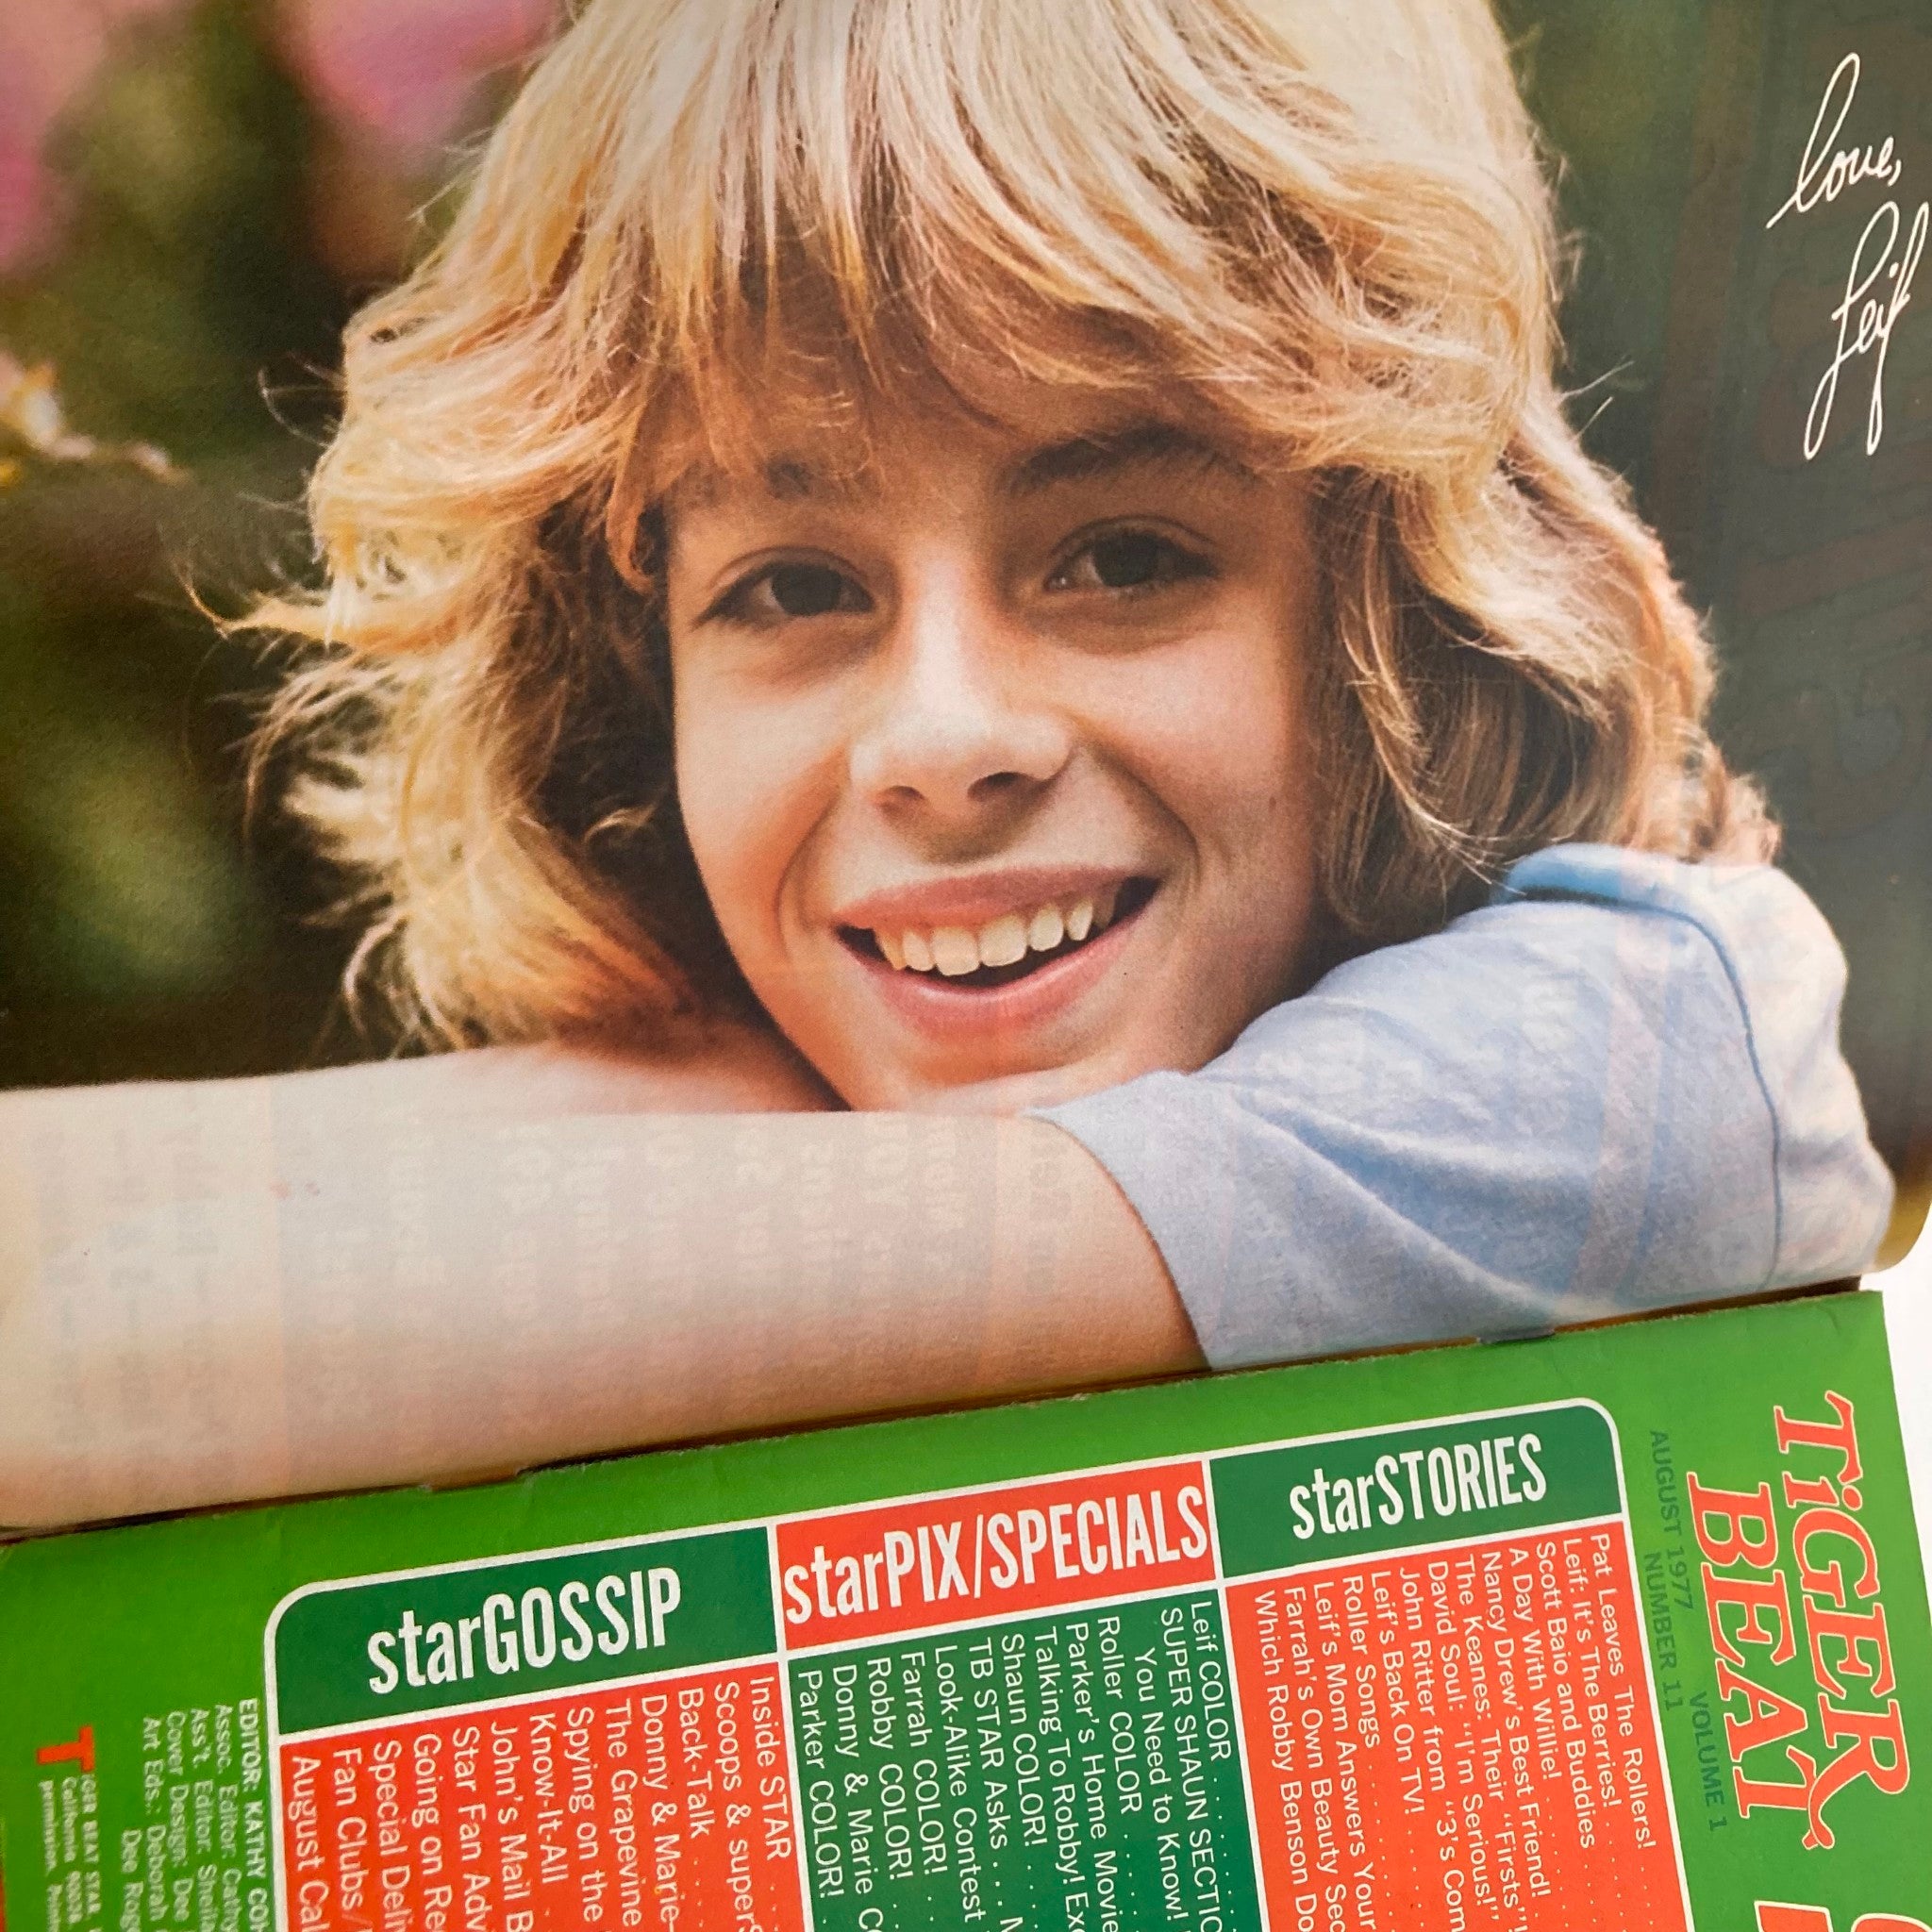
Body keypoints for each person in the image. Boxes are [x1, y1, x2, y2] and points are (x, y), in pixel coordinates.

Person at [0, 0, 1891, 1531]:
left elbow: (109, 1338)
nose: (944, 740)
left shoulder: (1633, 1049)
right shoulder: (774, 1101)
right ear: (629, 686)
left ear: (1379, 609)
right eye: (793, 584)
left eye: (1123, 556)